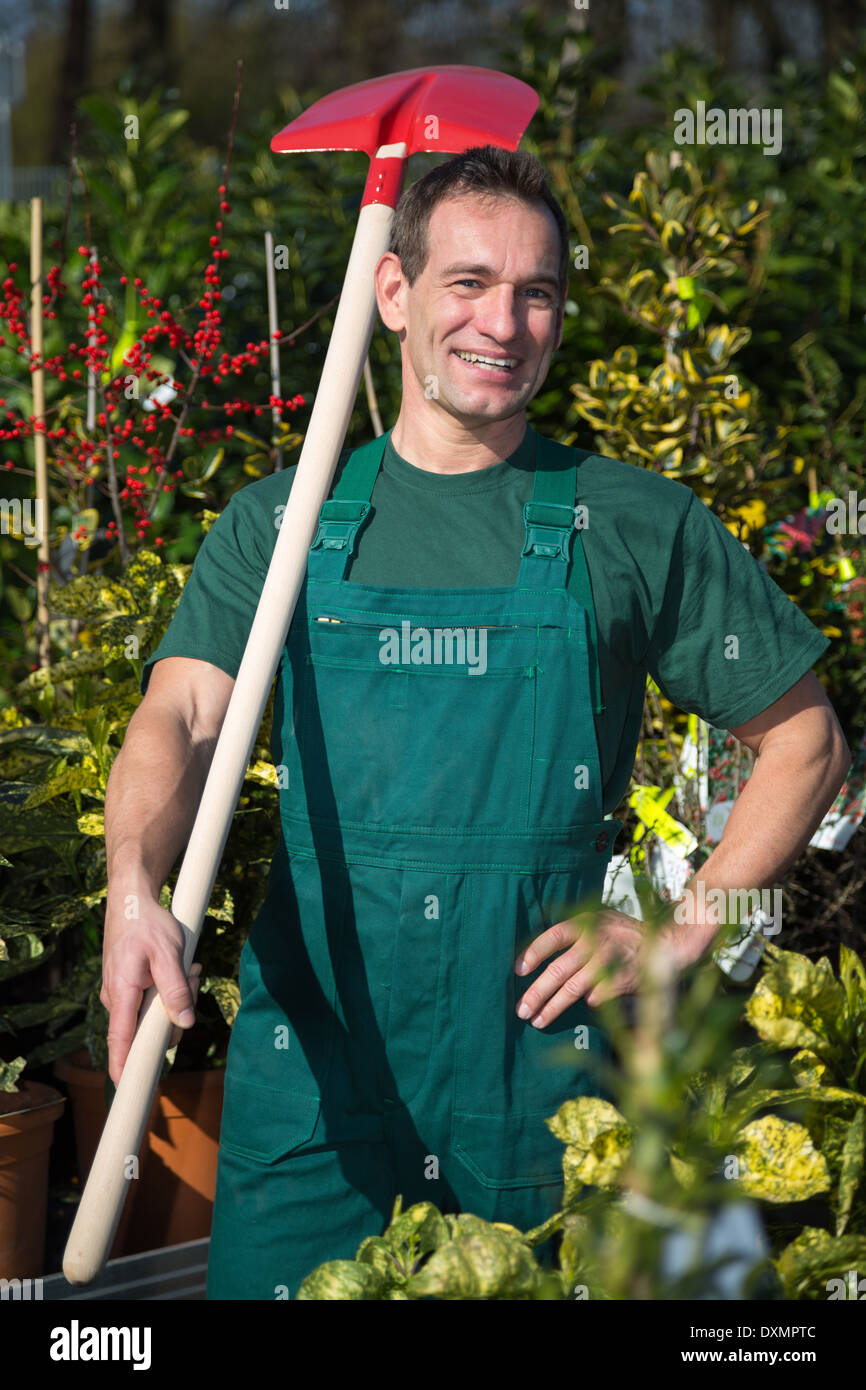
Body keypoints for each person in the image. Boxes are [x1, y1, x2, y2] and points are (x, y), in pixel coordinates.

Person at [101, 146, 850, 1299]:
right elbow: (180, 717)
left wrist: (681, 926)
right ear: (393, 293)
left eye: (536, 290)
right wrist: (133, 889)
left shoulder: (631, 522)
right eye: (467, 282)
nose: (502, 320)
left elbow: (805, 740)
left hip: (544, 1078)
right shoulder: (283, 524)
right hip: (315, 1077)